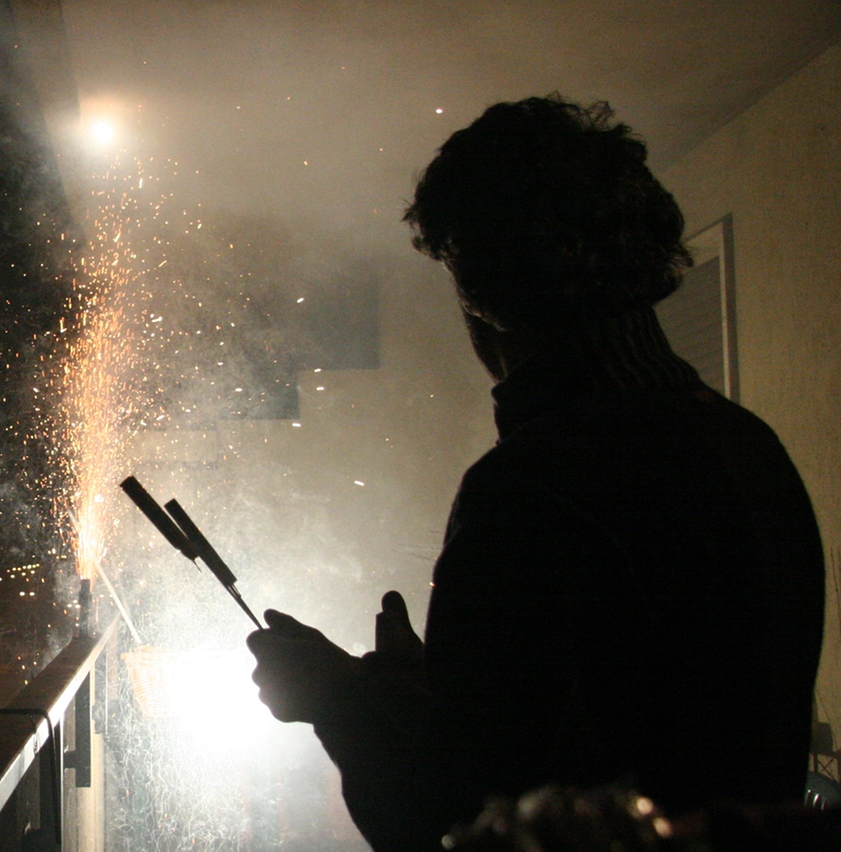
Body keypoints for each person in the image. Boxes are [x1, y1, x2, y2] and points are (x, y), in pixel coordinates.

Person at [246, 96, 825, 852]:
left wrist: (336, 703)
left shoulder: (531, 490)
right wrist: (435, 698)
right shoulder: (748, 444)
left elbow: (457, 824)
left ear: (479, 293)